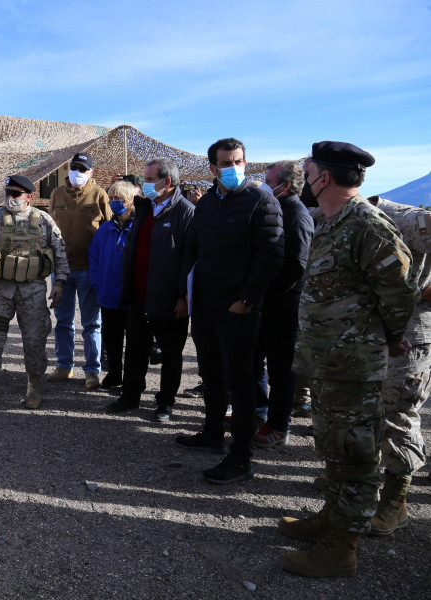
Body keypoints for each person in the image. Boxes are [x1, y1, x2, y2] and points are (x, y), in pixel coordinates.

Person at [277, 142, 417, 578]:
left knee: (355, 453)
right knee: (333, 446)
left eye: (308, 171)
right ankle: (331, 516)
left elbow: (398, 290)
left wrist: (392, 337)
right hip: (327, 359)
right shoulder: (331, 222)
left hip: (355, 364)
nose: (305, 179)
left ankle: (343, 547)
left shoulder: (367, 225)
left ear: (326, 177)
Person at [176, 138, 284, 484]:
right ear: (212, 168)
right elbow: (193, 250)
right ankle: (211, 435)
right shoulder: (207, 204)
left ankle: (240, 456)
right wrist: (187, 294)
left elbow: (271, 254)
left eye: (239, 161)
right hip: (206, 305)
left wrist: (247, 300)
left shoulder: (260, 200)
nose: (235, 168)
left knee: (241, 381)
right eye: (226, 163)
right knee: (211, 374)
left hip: (238, 308)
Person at [0, 175, 69, 412]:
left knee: (34, 341)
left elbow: (60, 252)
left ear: (29, 197)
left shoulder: (44, 220)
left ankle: (33, 388)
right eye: (8, 193)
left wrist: (60, 282)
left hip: (32, 291)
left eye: (16, 194)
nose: (10, 198)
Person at [364, 195, 431, 535]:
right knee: (372, 409)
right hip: (376, 328)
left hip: (410, 332)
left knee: (399, 414)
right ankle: (368, 481)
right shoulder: (352, 213)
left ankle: (395, 501)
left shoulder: (406, 218)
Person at [116, 158, 195, 421]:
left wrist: (184, 296)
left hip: (169, 299)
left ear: (167, 182)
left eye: (149, 180)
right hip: (140, 295)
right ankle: (130, 397)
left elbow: (189, 257)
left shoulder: (185, 212)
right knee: (136, 349)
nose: (145, 184)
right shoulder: (144, 208)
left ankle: (166, 403)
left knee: (170, 353)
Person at [251, 161, 313, 447]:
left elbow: (295, 267)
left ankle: (278, 426)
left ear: (284, 186)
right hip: (265, 304)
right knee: (254, 360)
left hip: (282, 307)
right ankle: (258, 411)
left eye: (268, 180)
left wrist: (267, 295)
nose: (264, 184)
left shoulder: (297, 216)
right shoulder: (276, 209)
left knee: (281, 369)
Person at [46, 152, 111, 389]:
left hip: (88, 269)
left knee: (92, 323)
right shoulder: (56, 194)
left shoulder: (99, 195)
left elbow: (108, 229)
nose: (78, 172)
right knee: (63, 321)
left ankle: (92, 371)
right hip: (61, 269)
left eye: (83, 169)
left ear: (91, 172)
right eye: (74, 167)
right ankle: (64, 366)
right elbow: (51, 228)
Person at [89, 180, 137, 391]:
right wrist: (97, 282)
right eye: (111, 198)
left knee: (135, 342)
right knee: (112, 340)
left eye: (118, 198)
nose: (114, 202)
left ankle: (132, 379)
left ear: (130, 200)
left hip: (133, 297)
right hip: (108, 294)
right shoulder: (105, 229)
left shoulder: (139, 227)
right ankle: (114, 374)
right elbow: (94, 257)